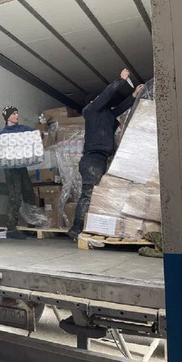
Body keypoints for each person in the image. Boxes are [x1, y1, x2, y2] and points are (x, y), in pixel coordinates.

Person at [68, 69, 144, 240]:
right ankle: (76, 228)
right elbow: (105, 96)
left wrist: (134, 94)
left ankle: (92, 227)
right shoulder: (90, 110)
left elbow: (121, 108)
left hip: (102, 159)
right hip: (92, 159)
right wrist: (120, 80)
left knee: (99, 195)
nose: (102, 101)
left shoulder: (107, 114)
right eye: (98, 99)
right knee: (88, 194)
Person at [0, 106, 37, 239]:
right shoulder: (1, 135)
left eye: (17, 113)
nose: (17, 115)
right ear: (7, 116)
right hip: (10, 169)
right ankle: (11, 228)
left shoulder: (23, 129)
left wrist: (40, 134)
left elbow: (37, 136)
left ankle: (32, 224)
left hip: (21, 167)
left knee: (29, 194)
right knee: (15, 197)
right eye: (14, 113)